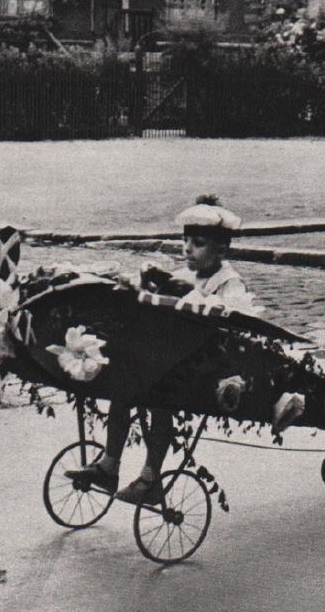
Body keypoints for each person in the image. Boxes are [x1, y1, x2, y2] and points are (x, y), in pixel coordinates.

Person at [69, 196, 260, 504]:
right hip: (168, 357)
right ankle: (108, 465)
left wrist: (194, 295)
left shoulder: (229, 282)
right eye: (185, 240)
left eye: (198, 243)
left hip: (202, 364)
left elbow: (234, 318)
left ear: (221, 250)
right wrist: (149, 283)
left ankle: (150, 478)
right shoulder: (183, 275)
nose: (188, 249)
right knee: (122, 388)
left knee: (160, 401)